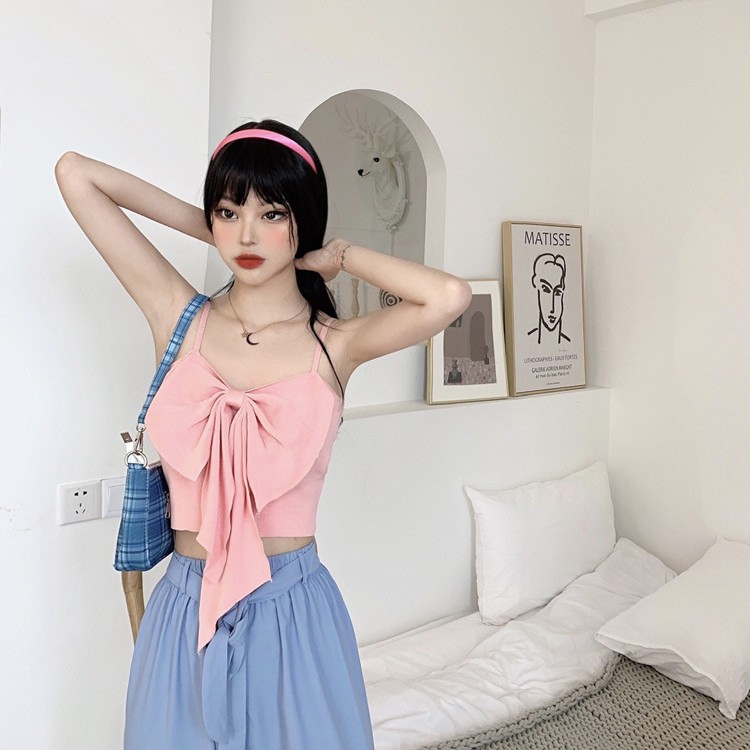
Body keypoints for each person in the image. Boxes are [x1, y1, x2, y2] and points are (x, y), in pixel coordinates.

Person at [55, 119, 472, 749]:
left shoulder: (336, 344)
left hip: (292, 610)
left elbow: (447, 296)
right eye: (230, 212)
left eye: (272, 214)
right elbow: (76, 174)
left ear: (303, 218)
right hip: (184, 611)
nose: (247, 234)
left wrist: (335, 255)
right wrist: (218, 229)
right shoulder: (178, 316)